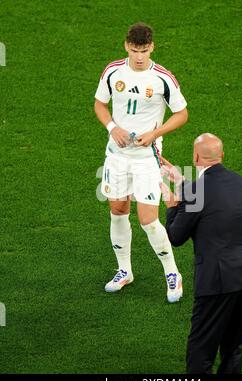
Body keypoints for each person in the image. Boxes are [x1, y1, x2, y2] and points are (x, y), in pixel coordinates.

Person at [94, 23, 188, 303]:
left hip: (147, 157)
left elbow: (182, 114)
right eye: (135, 50)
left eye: (144, 51)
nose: (139, 56)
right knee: (118, 210)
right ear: (126, 46)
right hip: (117, 155)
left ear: (152, 47)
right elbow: (100, 104)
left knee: (149, 220)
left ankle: (173, 274)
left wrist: (155, 134)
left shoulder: (162, 78)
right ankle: (124, 271)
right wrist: (113, 127)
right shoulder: (113, 71)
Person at [160, 133, 242, 373]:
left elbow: (176, 236)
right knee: (233, 346)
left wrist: (173, 205)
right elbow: (209, 199)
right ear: (222, 155)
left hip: (217, 280)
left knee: (200, 352)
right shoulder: (239, 181)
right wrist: (183, 183)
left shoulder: (196, 191)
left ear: (195, 157)